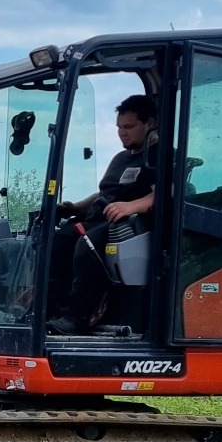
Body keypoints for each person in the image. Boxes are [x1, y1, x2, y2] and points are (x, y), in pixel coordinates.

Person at [47, 93, 158, 333]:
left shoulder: (160, 155)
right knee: (58, 240)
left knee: (87, 245)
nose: (122, 132)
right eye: (119, 127)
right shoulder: (121, 158)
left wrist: (131, 206)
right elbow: (103, 193)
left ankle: (78, 317)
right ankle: (51, 309)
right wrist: (76, 208)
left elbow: (161, 195)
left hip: (126, 226)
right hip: (98, 218)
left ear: (150, 123)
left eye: (128, 126)